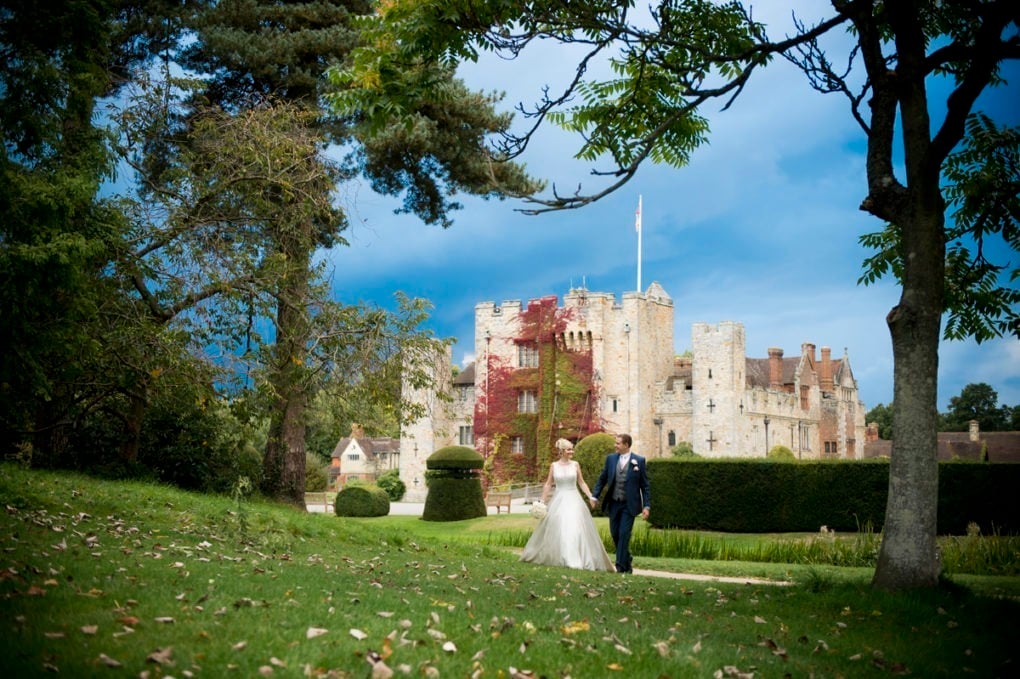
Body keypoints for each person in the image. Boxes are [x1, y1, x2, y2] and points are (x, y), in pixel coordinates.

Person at [520, 438, 615, 571]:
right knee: (559, 527)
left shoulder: (575, 465)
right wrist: (542, 501)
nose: (572, 451)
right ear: (562, 451)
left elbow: (581, 482)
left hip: (574, 499)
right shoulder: (554, 466)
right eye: (569, 449)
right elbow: (548, 484)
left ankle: (575, 558)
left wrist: (590, 497)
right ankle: (562, 557)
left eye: (572, 449)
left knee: (575, 527)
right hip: (558, 499)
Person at [590, 433, 650, 574]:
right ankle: (627, 560)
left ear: (626, 445)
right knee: (615, 534)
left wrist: (646, 506)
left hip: (629, 505)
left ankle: (620, 567)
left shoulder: (639, 461)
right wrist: (594, 496)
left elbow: (645, 486)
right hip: (614, 503)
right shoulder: (610, 459)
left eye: (618, 443)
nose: (615, 445)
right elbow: (602, 478)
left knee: (624, 534)